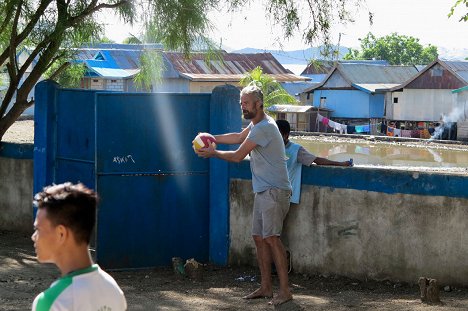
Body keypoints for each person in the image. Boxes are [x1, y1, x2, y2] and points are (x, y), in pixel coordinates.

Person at [195, 85, 293, 306]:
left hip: (274, 191)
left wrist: (212, 152)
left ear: (259, 104)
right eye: (241, 103)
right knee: (259, 238)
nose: (243, 107)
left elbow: (239, 156)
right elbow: (239, 137)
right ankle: (266, 287)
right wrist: (211, 137)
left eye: (246, 103)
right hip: (263, 190)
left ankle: (285, 291)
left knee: (272, 239)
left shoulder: (264, 128)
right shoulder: (256, 125)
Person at [31, 182, 127, 311]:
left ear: (61, 234)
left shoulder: (52, 302)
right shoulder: (113, 290)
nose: (33, 236)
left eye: (38, 229)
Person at [276, 119, 352, 204]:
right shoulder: (271, 148)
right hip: (270, 194)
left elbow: (317, 160)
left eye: (277, 135)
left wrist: (340, 163)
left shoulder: (296, 150)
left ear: (286, 135)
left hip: (285, 196)